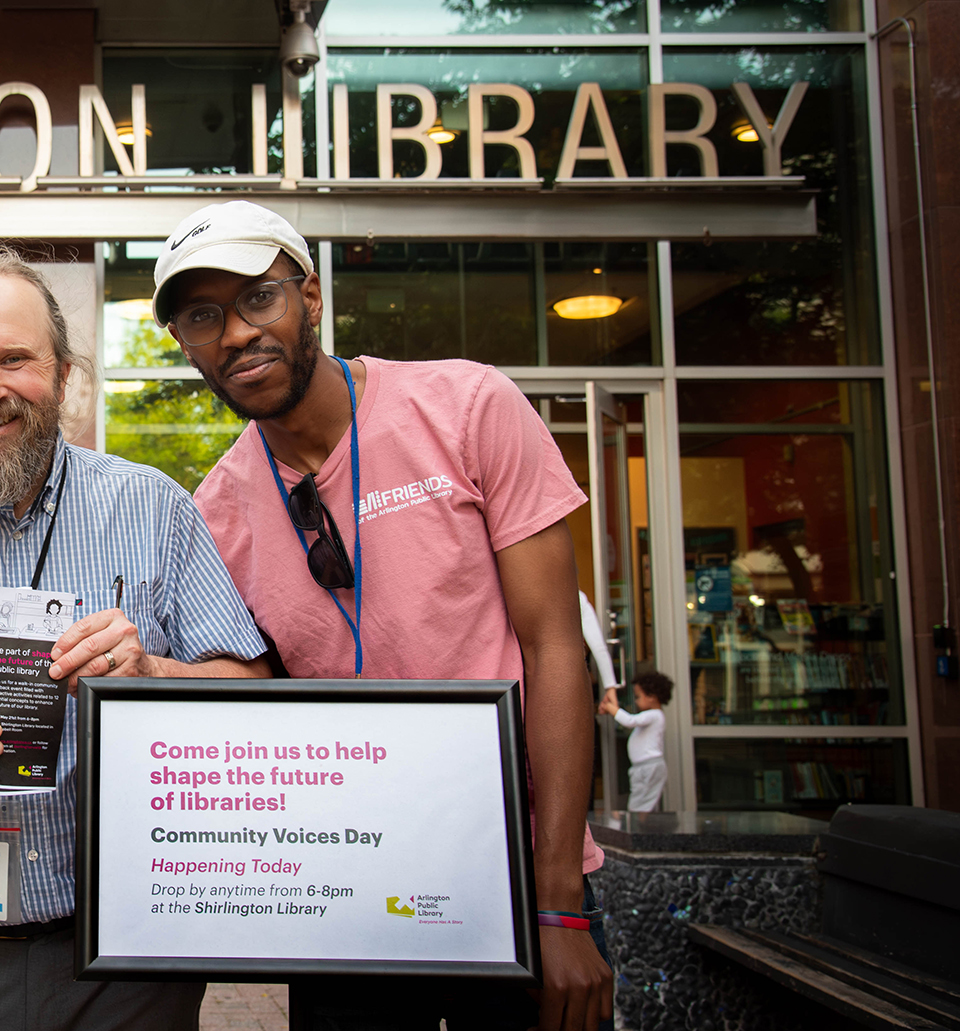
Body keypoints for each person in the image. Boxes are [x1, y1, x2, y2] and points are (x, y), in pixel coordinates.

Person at [160, 201, 613, 1031]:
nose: (233, 334)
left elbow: (555, 651)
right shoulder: (216, 511)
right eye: (201, 317)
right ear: (187, 344)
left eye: (258, 298)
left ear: (313, 297)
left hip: (514, 876)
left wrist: (559, 905)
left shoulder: (469, 406)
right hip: (352, 893)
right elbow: (247, 701)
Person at [0, 245, 269, 1031]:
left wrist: (153, 671)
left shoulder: (152, 507)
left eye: (15, 360)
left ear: (64, 374)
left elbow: (254, 695)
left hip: (125, 968)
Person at [601, 671, 670, 813]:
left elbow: (629, 721)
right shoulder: (653, 716)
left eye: (638, 697)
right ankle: (640, 827)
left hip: (648, 767)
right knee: (641, 802)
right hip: (643, 767)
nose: (636, 701)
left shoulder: (655, 715)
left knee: (640, 805)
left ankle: (639, 830)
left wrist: (611, 708)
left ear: (652, 697)